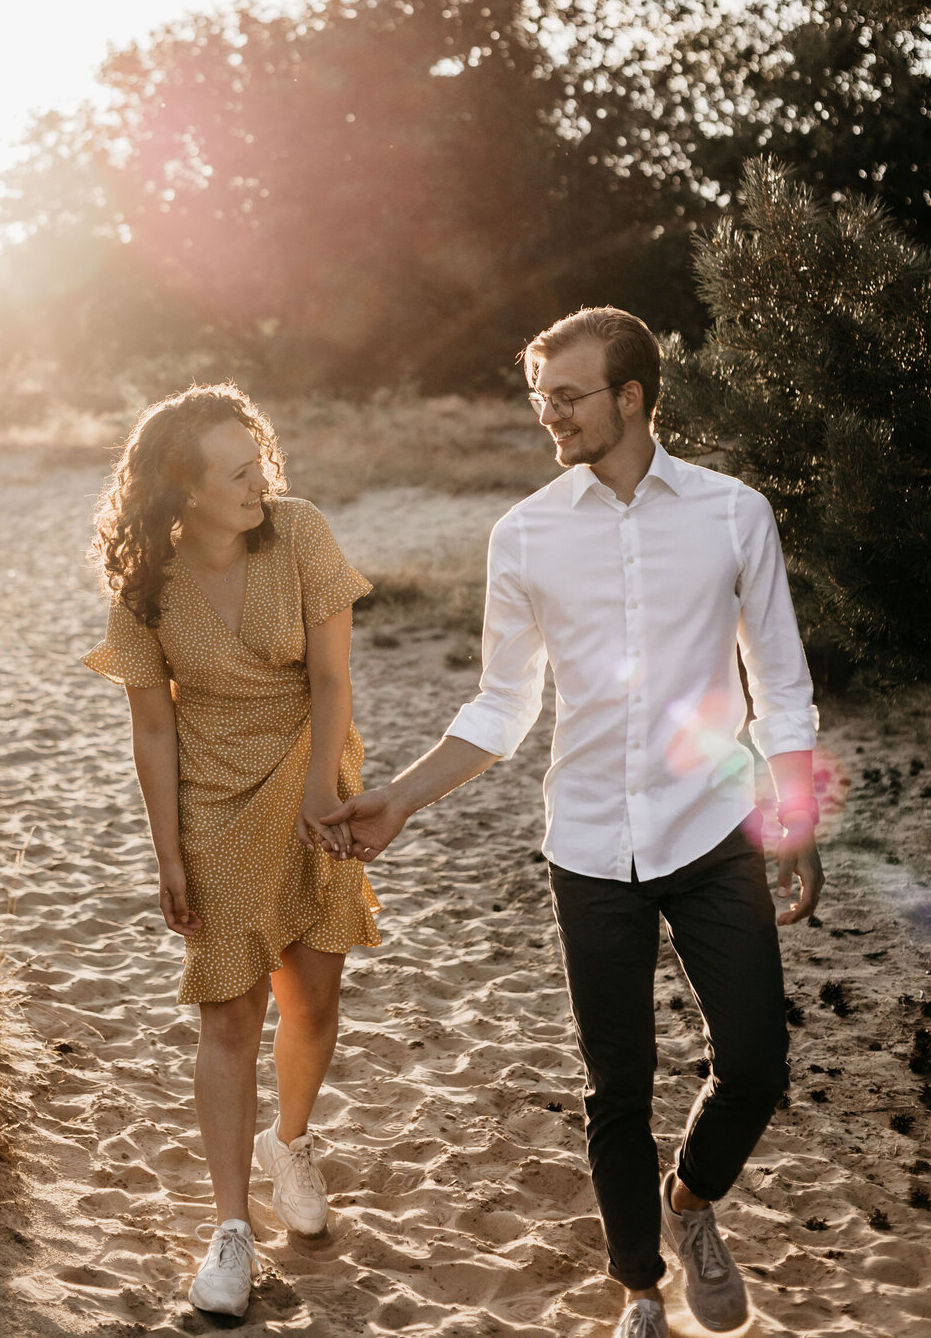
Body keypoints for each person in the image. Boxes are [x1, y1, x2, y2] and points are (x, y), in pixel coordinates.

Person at [323, 307, 823, 1338]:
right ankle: (640, 1290)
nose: (546, 414)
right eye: (538, 395)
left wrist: (797, 807)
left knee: (758, 1065)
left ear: (632, 397)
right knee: (618, 1085)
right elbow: (503, 707)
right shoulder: (527, 534)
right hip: (589, 846)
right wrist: (403, 799)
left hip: (715, 828)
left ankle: (691, 1208)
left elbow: (781, 680)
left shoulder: (734, 515)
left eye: (567, 395)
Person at [82, 382, 379, 1318]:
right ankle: (230, 1228)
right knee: (229, 1010)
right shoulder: (147, 587)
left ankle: (288, 1142)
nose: (261, 480)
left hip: (311, 760)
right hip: (210, 792)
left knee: (315, 998)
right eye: (238, 472)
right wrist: (168, 852)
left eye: (258, 462)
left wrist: (322, 789)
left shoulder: (299, 534)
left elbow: (332, 680)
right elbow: (155, 732)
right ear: (184, 491)